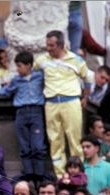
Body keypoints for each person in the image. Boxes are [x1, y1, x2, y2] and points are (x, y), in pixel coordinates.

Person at [0, 51, 48, 184]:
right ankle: (29, 176)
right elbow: (4, 90)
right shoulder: (16, 80)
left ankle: (39, 176)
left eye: (20, 66)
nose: (18, 69)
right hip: (21, 112)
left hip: (36, 112)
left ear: (29, 66)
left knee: (38, 146)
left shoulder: (39, 77)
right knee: (25, 147)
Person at [35, 30, 93, 177]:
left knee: (75, 139)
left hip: (71, 101)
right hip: (51, 103)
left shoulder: (76, 60)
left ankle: (78, 175)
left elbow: (88, 79)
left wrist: (85, 97)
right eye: (47, 45)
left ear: (61, 45)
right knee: (55, 141)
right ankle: (61, 176)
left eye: (52, 45)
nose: (48, 48)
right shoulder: (42, 60)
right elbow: (32, 72)